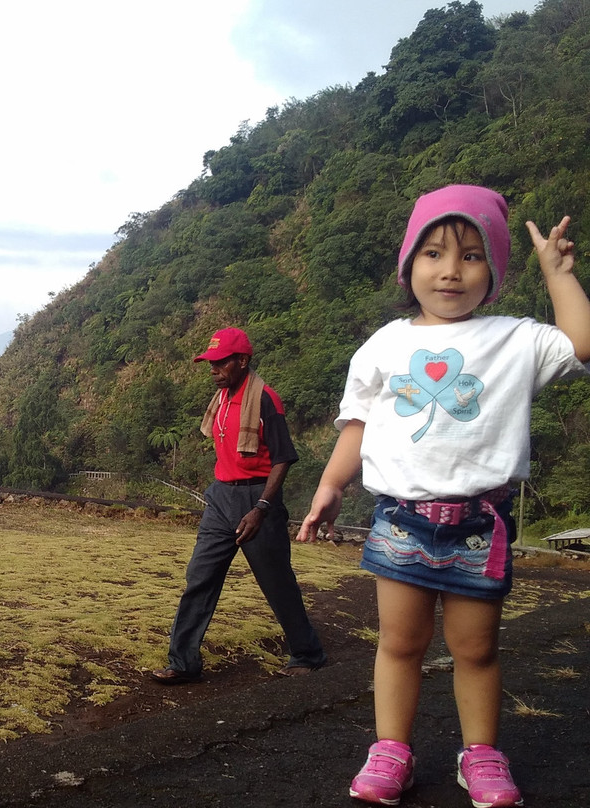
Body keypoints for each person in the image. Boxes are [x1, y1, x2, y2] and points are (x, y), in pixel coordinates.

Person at [297, 185, 590, 807]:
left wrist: (559, 275)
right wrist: (330, 485)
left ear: (495, 270)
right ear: (409, 266)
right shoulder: (383, 344)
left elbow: (583, 344)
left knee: (476, 649)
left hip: (480, 525)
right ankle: (391, 751)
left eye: (471, 255)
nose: (450, 270)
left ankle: (480, 754)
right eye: (432, 253)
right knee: (399, 644)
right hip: (400, 520)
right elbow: (360, 424)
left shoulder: (517, 338)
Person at [151, 327, 327, 685]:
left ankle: (308, 653)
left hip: (257, 499)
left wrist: (262, 507)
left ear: (243, 361)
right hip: (221, 497)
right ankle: (183, 662)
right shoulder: (221, 398)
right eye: (210, 363)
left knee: (276, 581)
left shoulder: (265, 400)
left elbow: (283, 458)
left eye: (220, 363)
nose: (213, 370)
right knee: (199, 577)